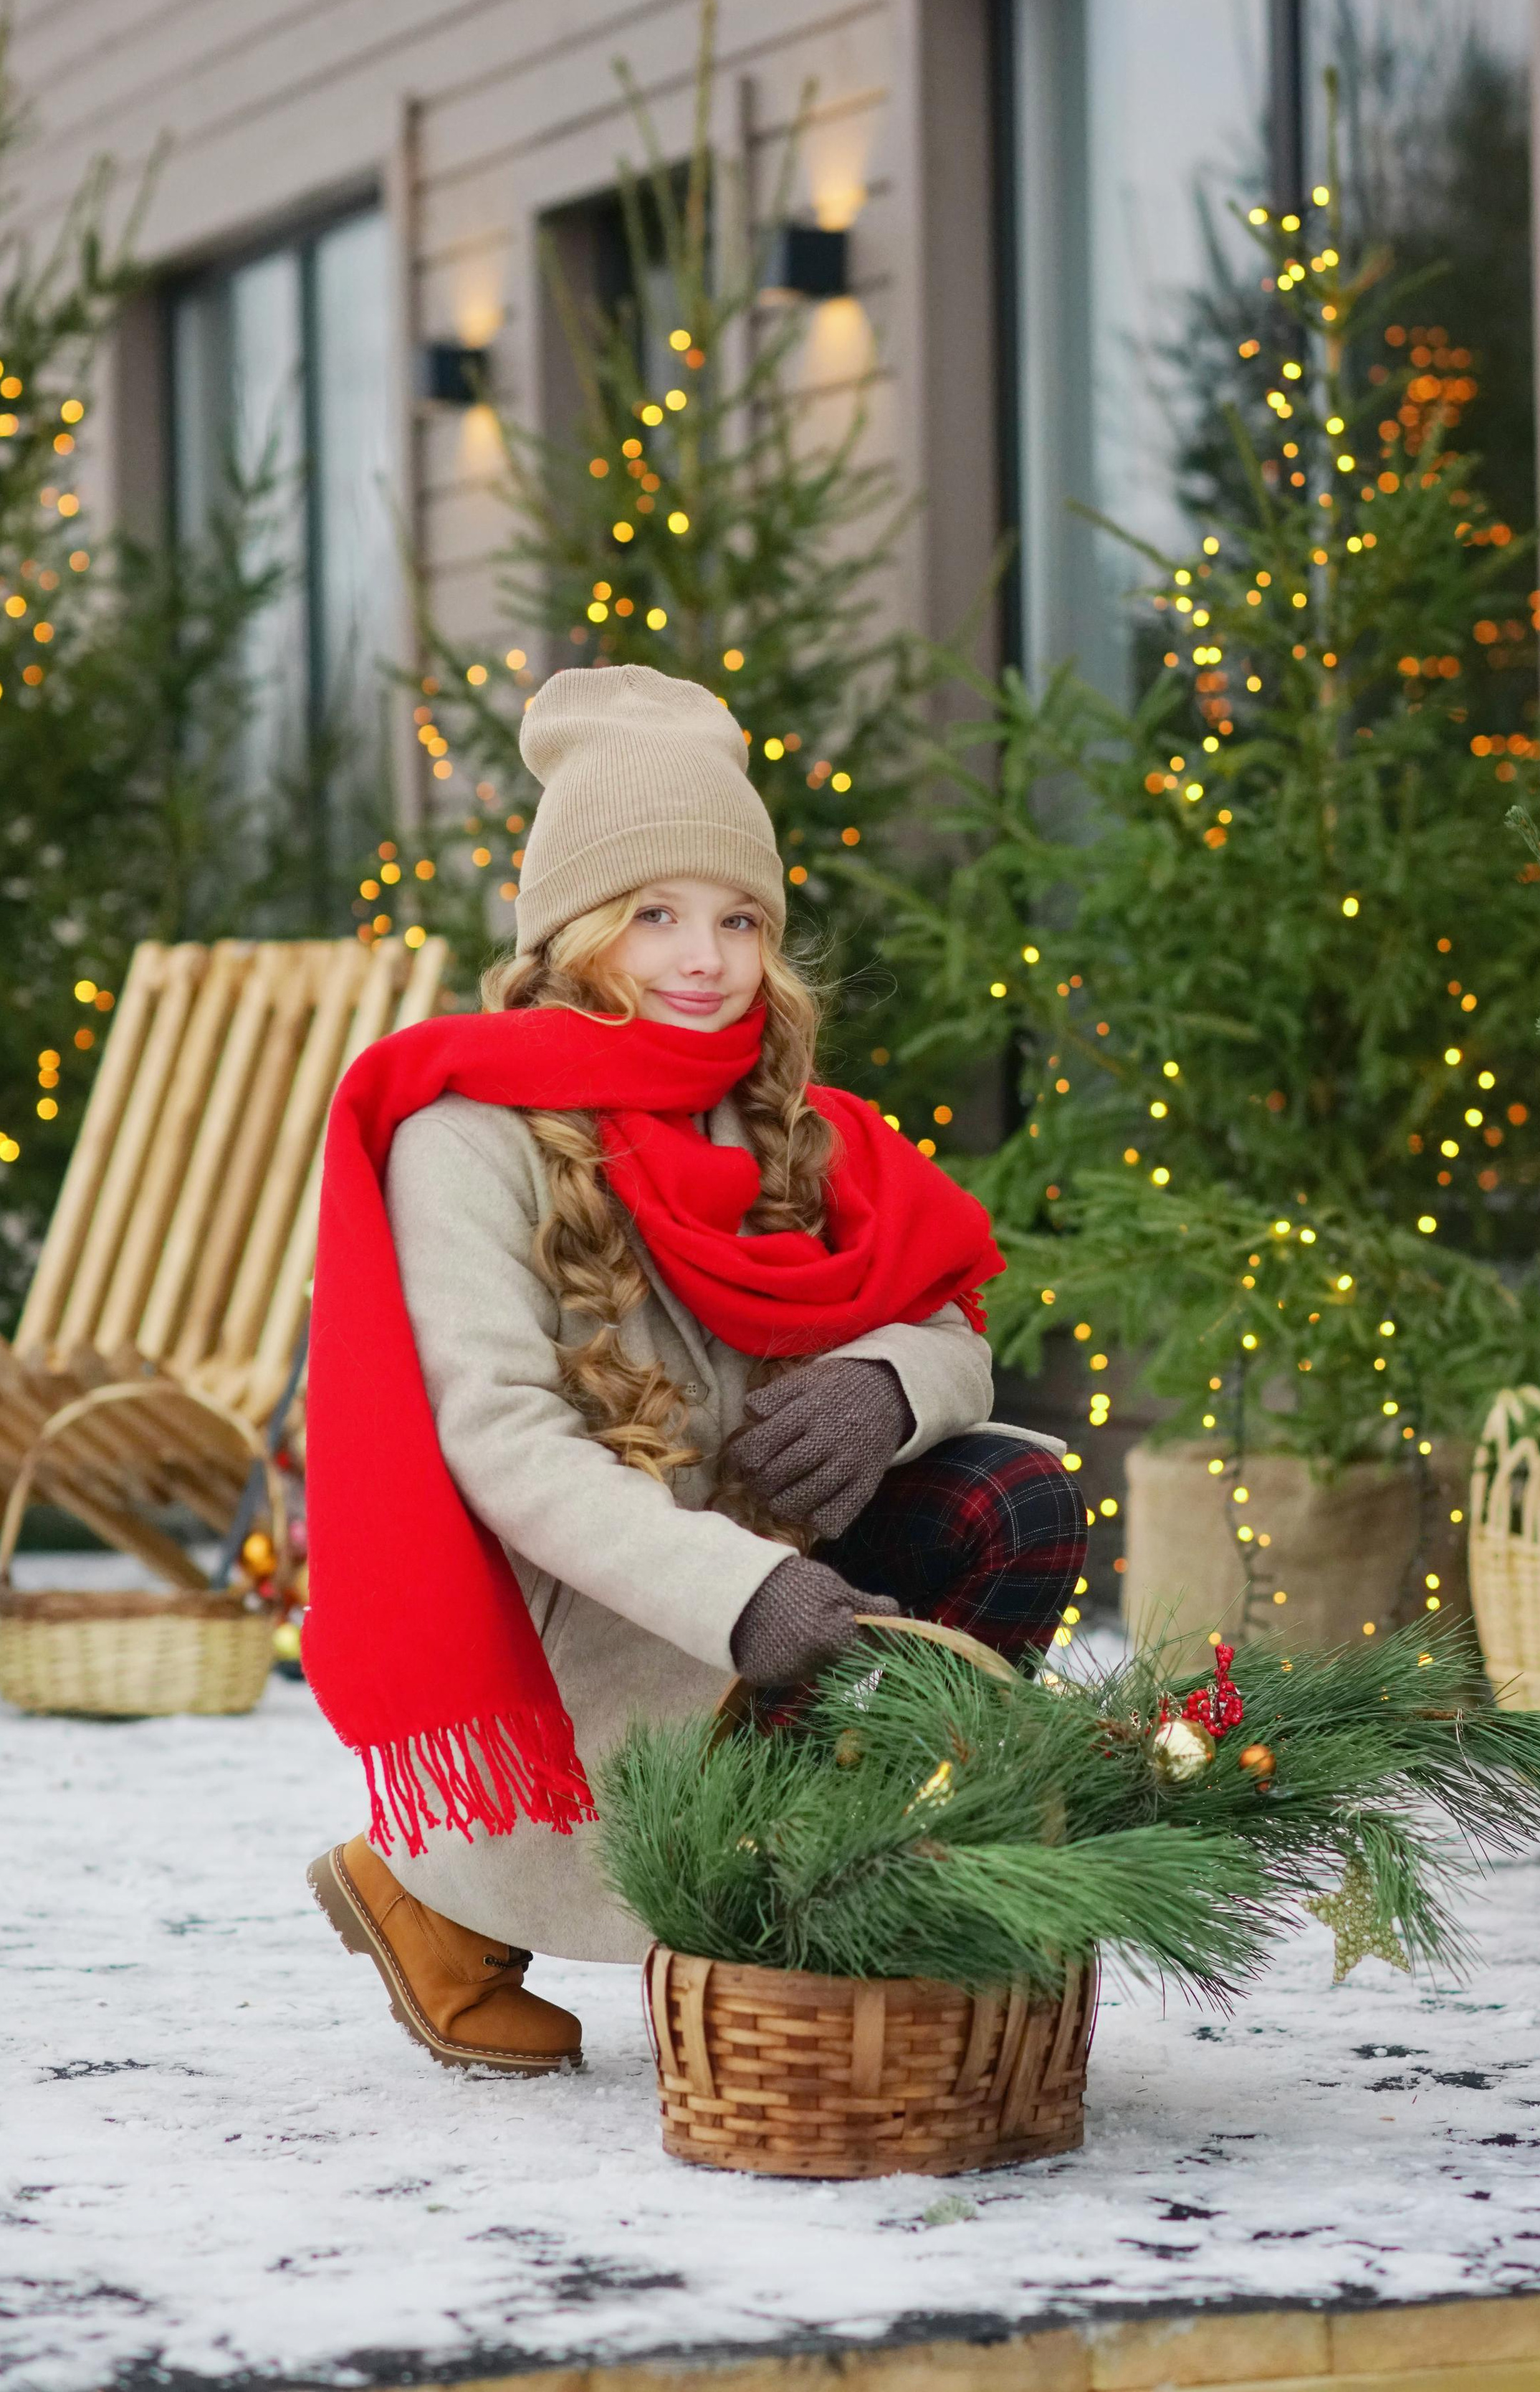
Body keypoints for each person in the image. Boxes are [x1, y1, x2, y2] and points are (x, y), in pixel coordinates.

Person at [301, 664, 1086, 2076]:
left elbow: (952, 1322)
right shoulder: (466, 1135)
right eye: (654, 913)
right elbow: (503, 1439)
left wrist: (885, 1388)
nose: (703, 957)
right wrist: (738, 1593)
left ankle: (862, 1892)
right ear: (573, 930)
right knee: (723, 1665)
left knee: (1013, 1498)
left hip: (791, 1547)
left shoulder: (791, 1121)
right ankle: (451, 1897)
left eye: (737, 918)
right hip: (617, 1604)